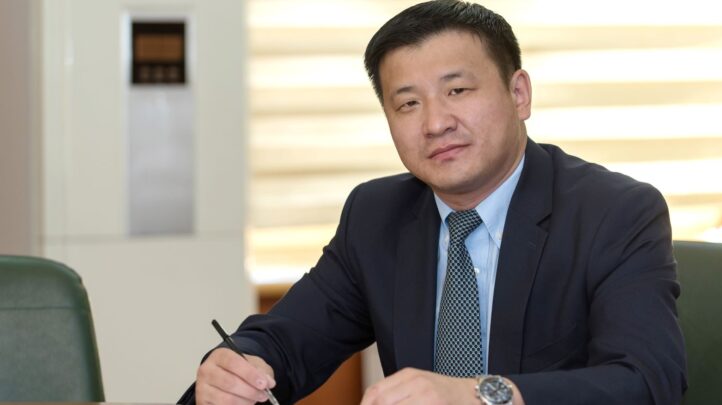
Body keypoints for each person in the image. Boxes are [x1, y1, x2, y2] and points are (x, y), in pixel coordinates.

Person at [179, 1, 687, 404]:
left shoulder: (614, 212)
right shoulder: (376, 215)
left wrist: (479, 395)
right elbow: (289, 339)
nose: (435, 123)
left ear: (519, 94)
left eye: (458, 90)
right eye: (408, 103)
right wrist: (238, 367)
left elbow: (646, 382)